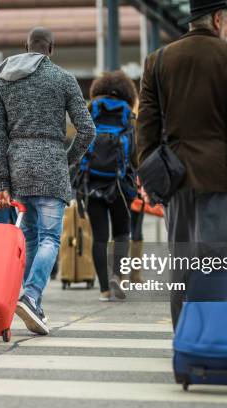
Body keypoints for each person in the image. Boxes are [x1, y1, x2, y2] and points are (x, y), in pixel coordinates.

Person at [136, 0, 227, 330]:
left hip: (174, 177)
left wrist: (148, 176)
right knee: (213, 260)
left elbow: (146, 127)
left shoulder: (159, 60)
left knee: (181, 261)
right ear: (215, 19)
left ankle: (184, 336)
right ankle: (208, 335)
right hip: (220, 178)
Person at [0, 27, 95, 335]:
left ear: (26, 47)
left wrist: (1, 180)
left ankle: (32, 301)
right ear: (51, 49)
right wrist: (67, 159)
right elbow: (87, 130)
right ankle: (32, 295)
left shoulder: (4, 79)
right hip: (51, 165)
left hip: (18, 167)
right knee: (50, 238)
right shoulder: (63, 79)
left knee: (31, 239)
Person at [80, 70, 138, 302]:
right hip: (120, 182)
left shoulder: (91, 109)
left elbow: (81, 142)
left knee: (100, 237)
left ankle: (104, 288)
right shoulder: (128, 113)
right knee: (122, 232)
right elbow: (134, 151)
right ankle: (118, 277)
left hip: (92, 181)